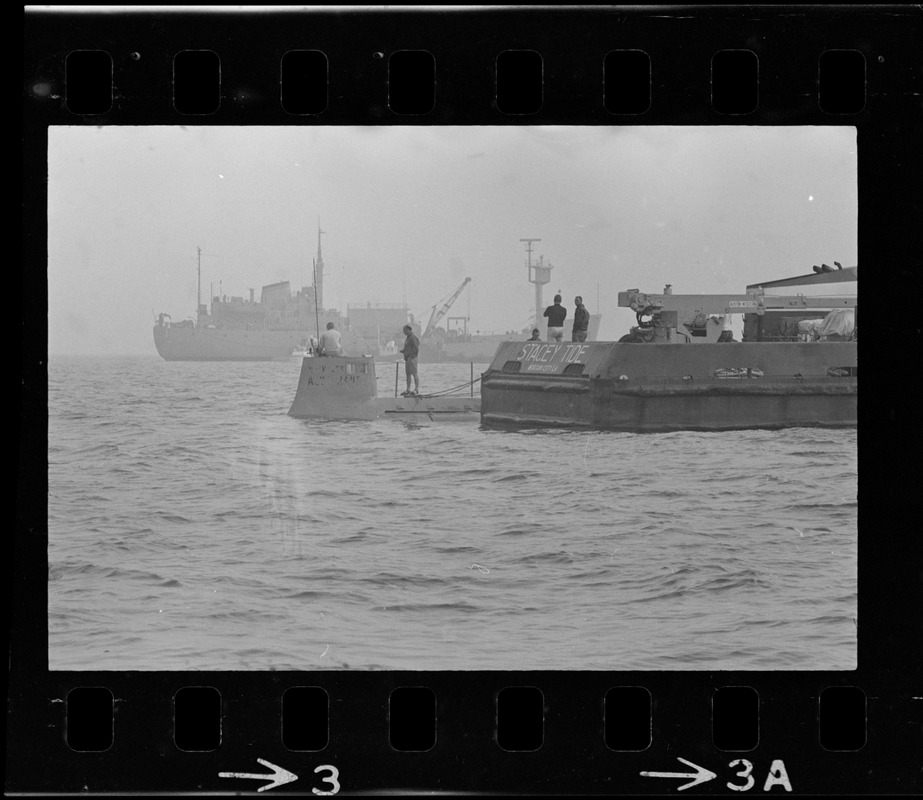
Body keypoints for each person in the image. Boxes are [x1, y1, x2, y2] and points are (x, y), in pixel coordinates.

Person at [400, 324, 420, 396]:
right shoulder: (408, 338)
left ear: (408, 330)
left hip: (412, 358)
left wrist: (412, 356)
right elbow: (409, 348)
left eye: (404, 331)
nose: (403, 332)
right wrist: (404, 351)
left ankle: (416, 389)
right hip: (407, 358)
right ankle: (408, 389)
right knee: (408, 374)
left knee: (414, 373)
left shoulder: (413, 338)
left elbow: (416, 348)